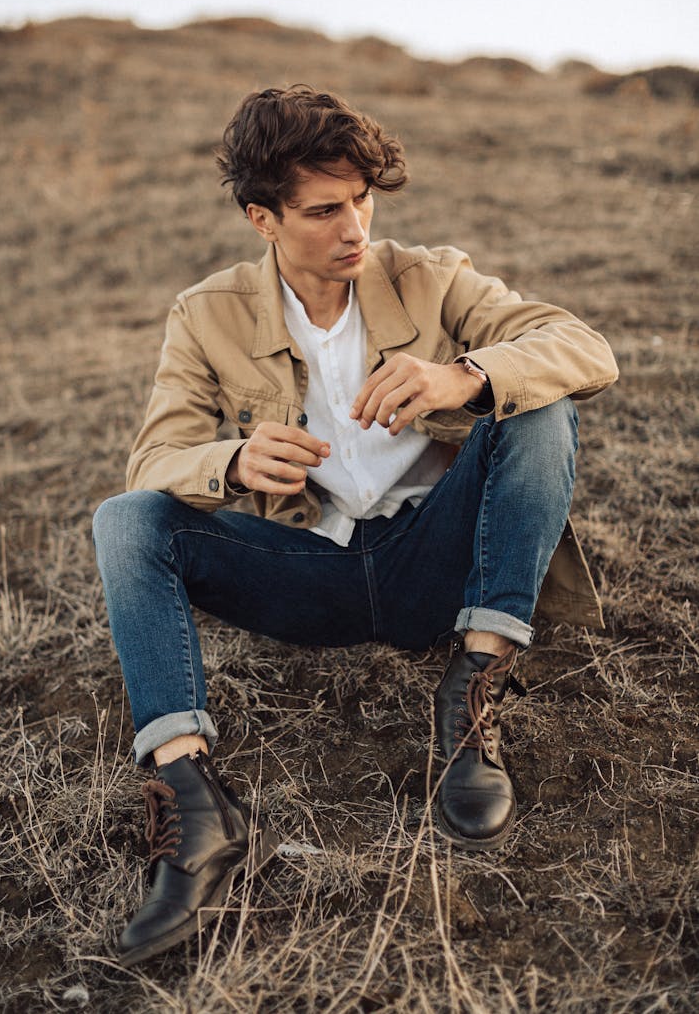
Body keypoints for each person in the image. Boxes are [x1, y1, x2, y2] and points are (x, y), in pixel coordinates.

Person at [93, 85, 618, 966]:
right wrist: (230, 460)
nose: (355, 228)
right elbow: (155, 461)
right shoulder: (205, 313)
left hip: (434, 565)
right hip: (308, 573)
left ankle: (472, 701)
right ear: (262, 217)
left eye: (364, 200)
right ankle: (197, 808)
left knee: (539, 409)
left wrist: (467, 376)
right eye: (325, 209)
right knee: (127, 521)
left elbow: (583, 346)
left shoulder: (427, 273)